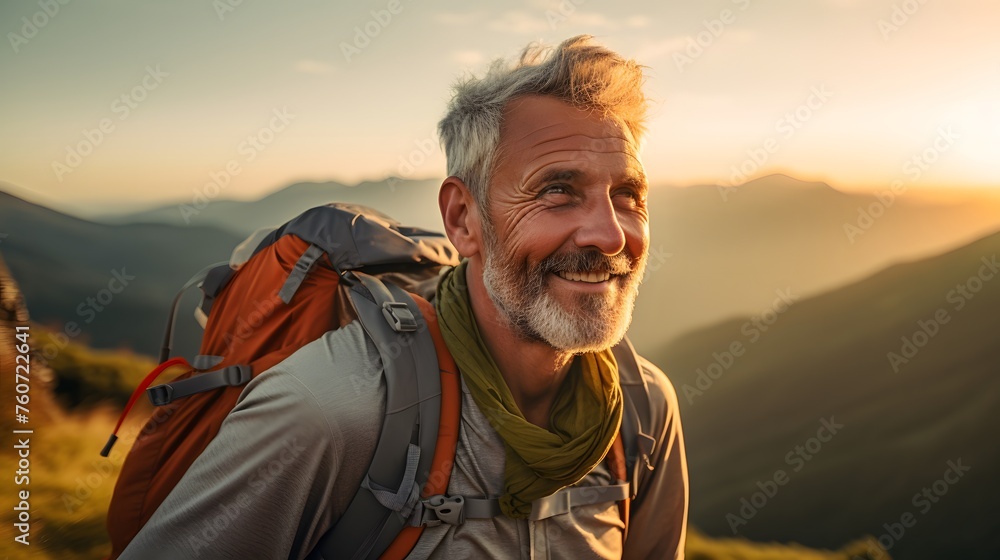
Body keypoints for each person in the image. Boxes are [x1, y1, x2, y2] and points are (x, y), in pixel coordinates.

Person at [119, 34, 688, 559]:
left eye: (628, 195)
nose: (611, 234)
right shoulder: (332, 408)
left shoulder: (643, 410)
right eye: (557, 191)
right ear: (464, 220)